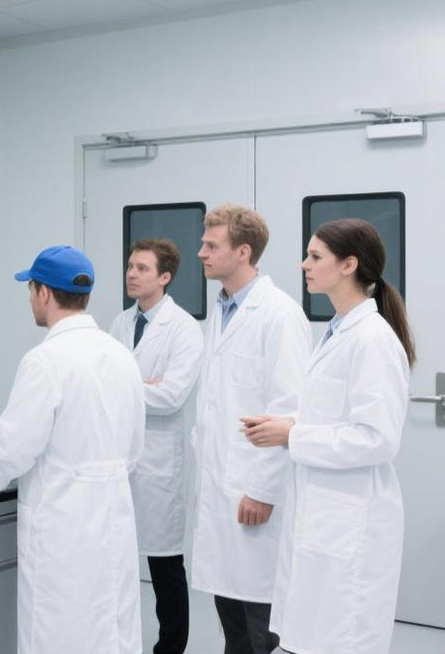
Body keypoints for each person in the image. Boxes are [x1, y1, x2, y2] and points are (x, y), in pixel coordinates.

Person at [0, 246, 145, 654]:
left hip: (63, 524)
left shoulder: (45, 360)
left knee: (58, 634)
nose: (29, 298)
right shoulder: (121, 356)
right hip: (113, 518)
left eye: (30, 288)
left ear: (43, 293)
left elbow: (14, 447)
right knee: (111, 631)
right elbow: (134, 448)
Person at [243, 219, 413, 654]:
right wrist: (285, 424)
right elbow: (329, 412)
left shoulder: (372, 339)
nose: (304, 264)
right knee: (310, 636)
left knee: (340, 638)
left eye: (316, 256)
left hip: (351, 520)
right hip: (325, 513)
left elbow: (377, 438)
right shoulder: (337, 330)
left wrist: (292, 434)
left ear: (349, 265)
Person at [190, 204, 310, 654]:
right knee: (233, 625)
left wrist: (264, 489)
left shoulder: (278, 314)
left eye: (211, 245)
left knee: (262, 629)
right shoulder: (220, 312)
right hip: (222, 489)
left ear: (243, 252)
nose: (200, 252)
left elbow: (289, 410)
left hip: (252, 493)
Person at [109, 238, 203, 654]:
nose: (132, 273)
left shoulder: (183, 328)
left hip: (158, 462)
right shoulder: (120, 323)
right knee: (119, 560)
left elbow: (171, 397)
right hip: (120, 457)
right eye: (130, 266)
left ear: (164, 277)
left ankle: (170, 648)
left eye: (142, 268)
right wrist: (141, 384)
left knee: (165, 567)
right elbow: (105, 385)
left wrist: (127, 386)